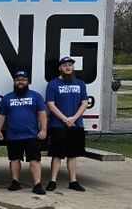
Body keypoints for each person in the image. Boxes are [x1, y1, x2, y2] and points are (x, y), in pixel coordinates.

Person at [0, 70, 48, 195]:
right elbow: (2, 115)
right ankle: (15, 183)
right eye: (18, 80)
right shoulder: (7, 98)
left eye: (24, 80)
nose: (21, 82)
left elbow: (42, 114)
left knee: (34, 160)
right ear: (14, 82)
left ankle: (37, 185)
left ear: (28, 82)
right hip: (13, 135)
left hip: (32, 135)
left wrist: (43, 129)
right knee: (14, 159)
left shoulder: (36, 96)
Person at [45, 56, 88, 192]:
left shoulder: (80, 84)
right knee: (57, 155)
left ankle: (73, 181)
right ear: (60, 68)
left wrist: (74, 118)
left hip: (76, 125)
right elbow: (51, 105)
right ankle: (53, 181)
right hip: (58, 125)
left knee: (72, 154)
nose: (68, 67)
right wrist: (65, 119)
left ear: (73, 67)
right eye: (65, 65)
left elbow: (84, 103)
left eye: (70, 65)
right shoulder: (53, 84)